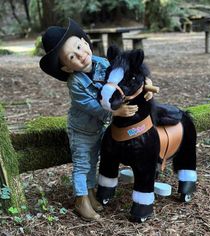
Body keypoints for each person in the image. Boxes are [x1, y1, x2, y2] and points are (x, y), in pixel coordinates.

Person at [39, 18, 153, 221]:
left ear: (85, 41)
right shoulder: (75, 83)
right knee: (83, 163)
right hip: (82, 130)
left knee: (94, 161)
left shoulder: (103, 63)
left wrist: (146, 82)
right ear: (66, 67)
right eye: (72, 56)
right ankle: (81, 199)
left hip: (99, 128)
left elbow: (124, 74)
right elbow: (91, 106)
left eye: (80, 47)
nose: (81, 55)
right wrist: (114, 113)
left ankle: (91, 194)